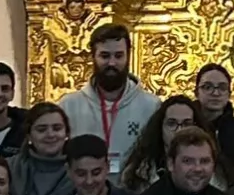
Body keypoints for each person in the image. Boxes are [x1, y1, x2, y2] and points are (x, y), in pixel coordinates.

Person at [60, 22, 160, 176]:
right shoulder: (69, 105)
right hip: (84, 193)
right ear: (92, 56)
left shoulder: (151, 106)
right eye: (105, 56)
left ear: (128, 56)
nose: (112, 63)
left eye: (119, 56)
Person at [117, 94, 205, 195]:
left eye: (186, 124)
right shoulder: (137, 174)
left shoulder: (211, 172)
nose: (179, 130)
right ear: (160, 127)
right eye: (172, 124)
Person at [6, 102, 73, 195]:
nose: (50, 134)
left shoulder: (79, 172)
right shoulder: (8, 169)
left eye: (57, 128)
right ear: (29, 136)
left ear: (66, 133)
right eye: (41, 130)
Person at [194, 62, 234, 172]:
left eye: (222, 88)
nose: (215, 93)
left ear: (229, 94)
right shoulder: (187, 125)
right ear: (196, 92)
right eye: (208, 87)